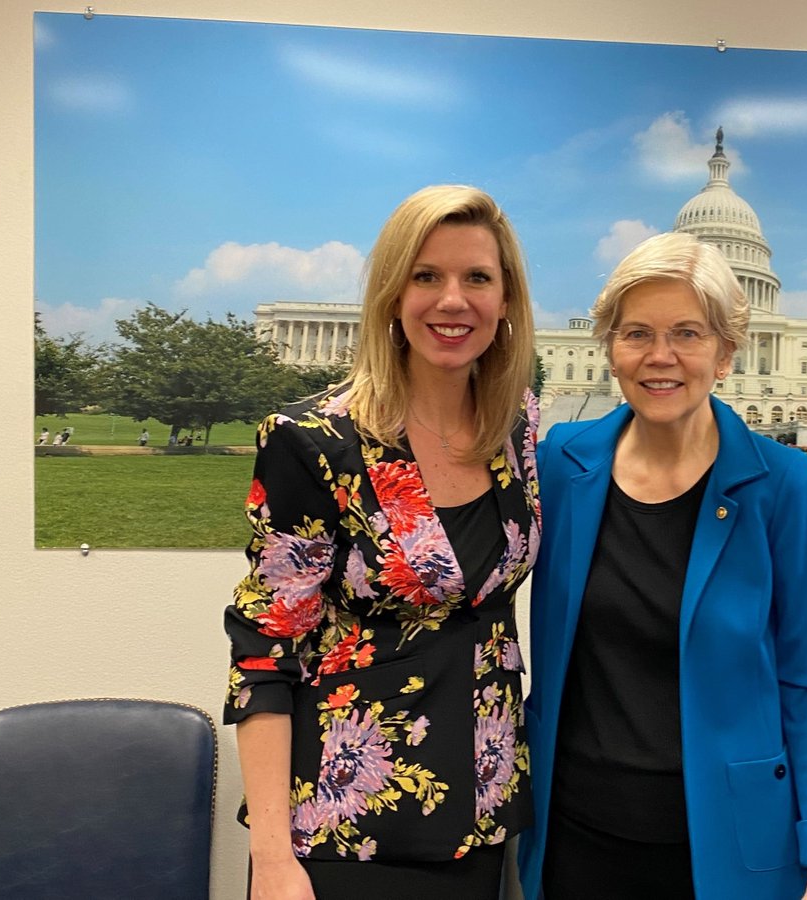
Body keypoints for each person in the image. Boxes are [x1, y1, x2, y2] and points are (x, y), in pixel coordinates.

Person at [519, 232, 807, 900]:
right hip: (578, 837)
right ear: (611, 347)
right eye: (636, 334)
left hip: (730, 842)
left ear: (726, 351)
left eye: (687, 332)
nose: (661, 357)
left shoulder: (780, 483)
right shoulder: (563, 465)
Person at [223, 184, 540, 900]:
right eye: (426, 276)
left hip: (482, 813)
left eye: (477, 278)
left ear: (507, 299)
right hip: (346, 827)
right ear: (392, 295)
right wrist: (272, 860)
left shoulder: (514, 428)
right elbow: (264, 652)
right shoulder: (314, 441)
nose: (452, 300)